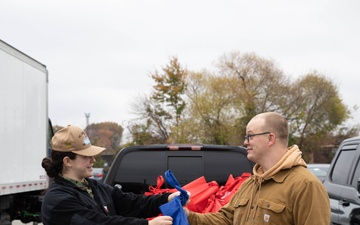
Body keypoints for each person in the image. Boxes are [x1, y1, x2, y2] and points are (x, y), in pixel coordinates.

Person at [185, 112, 331, 225]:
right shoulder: (250, 184)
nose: (245, 142)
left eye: (250, 136)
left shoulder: (306, 185)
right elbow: (224, 220)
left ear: (270, 138)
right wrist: (187, 215)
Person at [41, 125, 178, 225]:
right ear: (68, 161)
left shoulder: (95, 187)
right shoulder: (57, 200)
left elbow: (131, 203)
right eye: (86, 156)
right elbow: (99, 222)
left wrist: (167, 199)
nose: (93, 160)